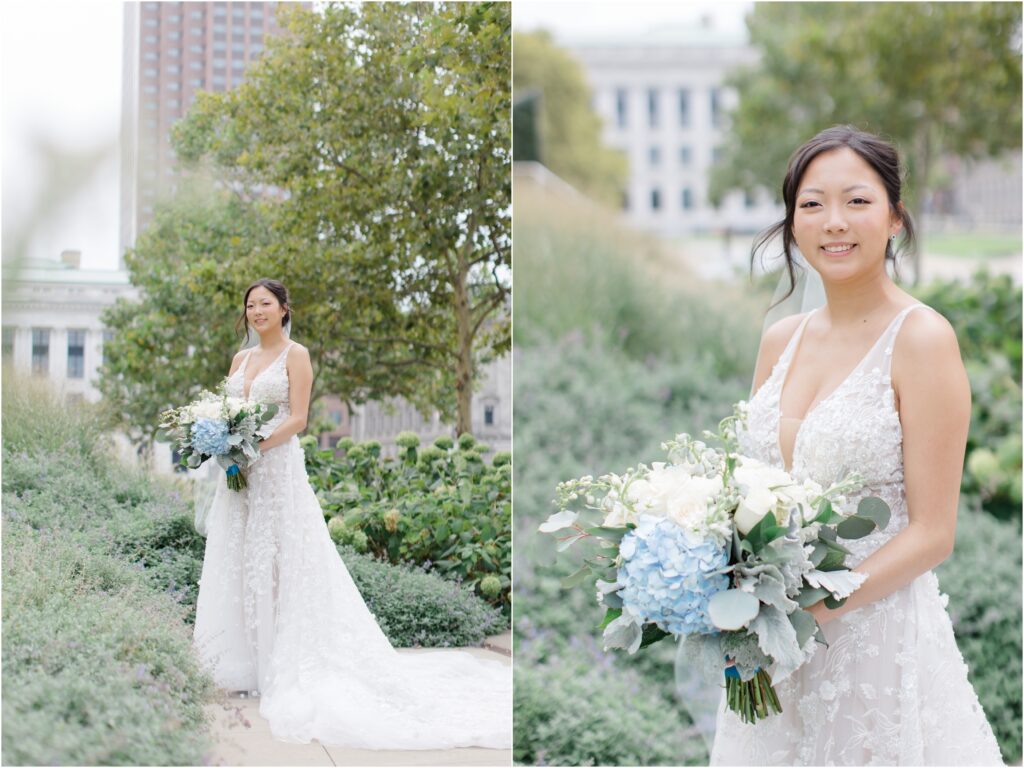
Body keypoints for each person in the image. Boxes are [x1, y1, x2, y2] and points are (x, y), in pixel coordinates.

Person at [709, 126, 1003, 765]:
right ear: (792, 224)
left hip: (874, 643)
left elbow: (933, 531)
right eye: (812, 204)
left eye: (857, 201)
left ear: (895, 217)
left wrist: (809, 610)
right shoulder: (779, 341)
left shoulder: (922, 340)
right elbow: (747, 493)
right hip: (767, 646)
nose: (833, 222)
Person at [192, 278, 511, 749]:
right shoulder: (240, 360)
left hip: (276, 470)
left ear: (283, 309)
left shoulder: (295, 355)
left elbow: (298, 417)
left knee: (282, 561)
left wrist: (255, 446)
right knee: (241, 557)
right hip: (240, 475)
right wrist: (223, 442)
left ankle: (285, 661)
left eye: (265, 303)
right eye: (250, 305)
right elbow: (229, 411)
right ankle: (240, 662)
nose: (256, 311)